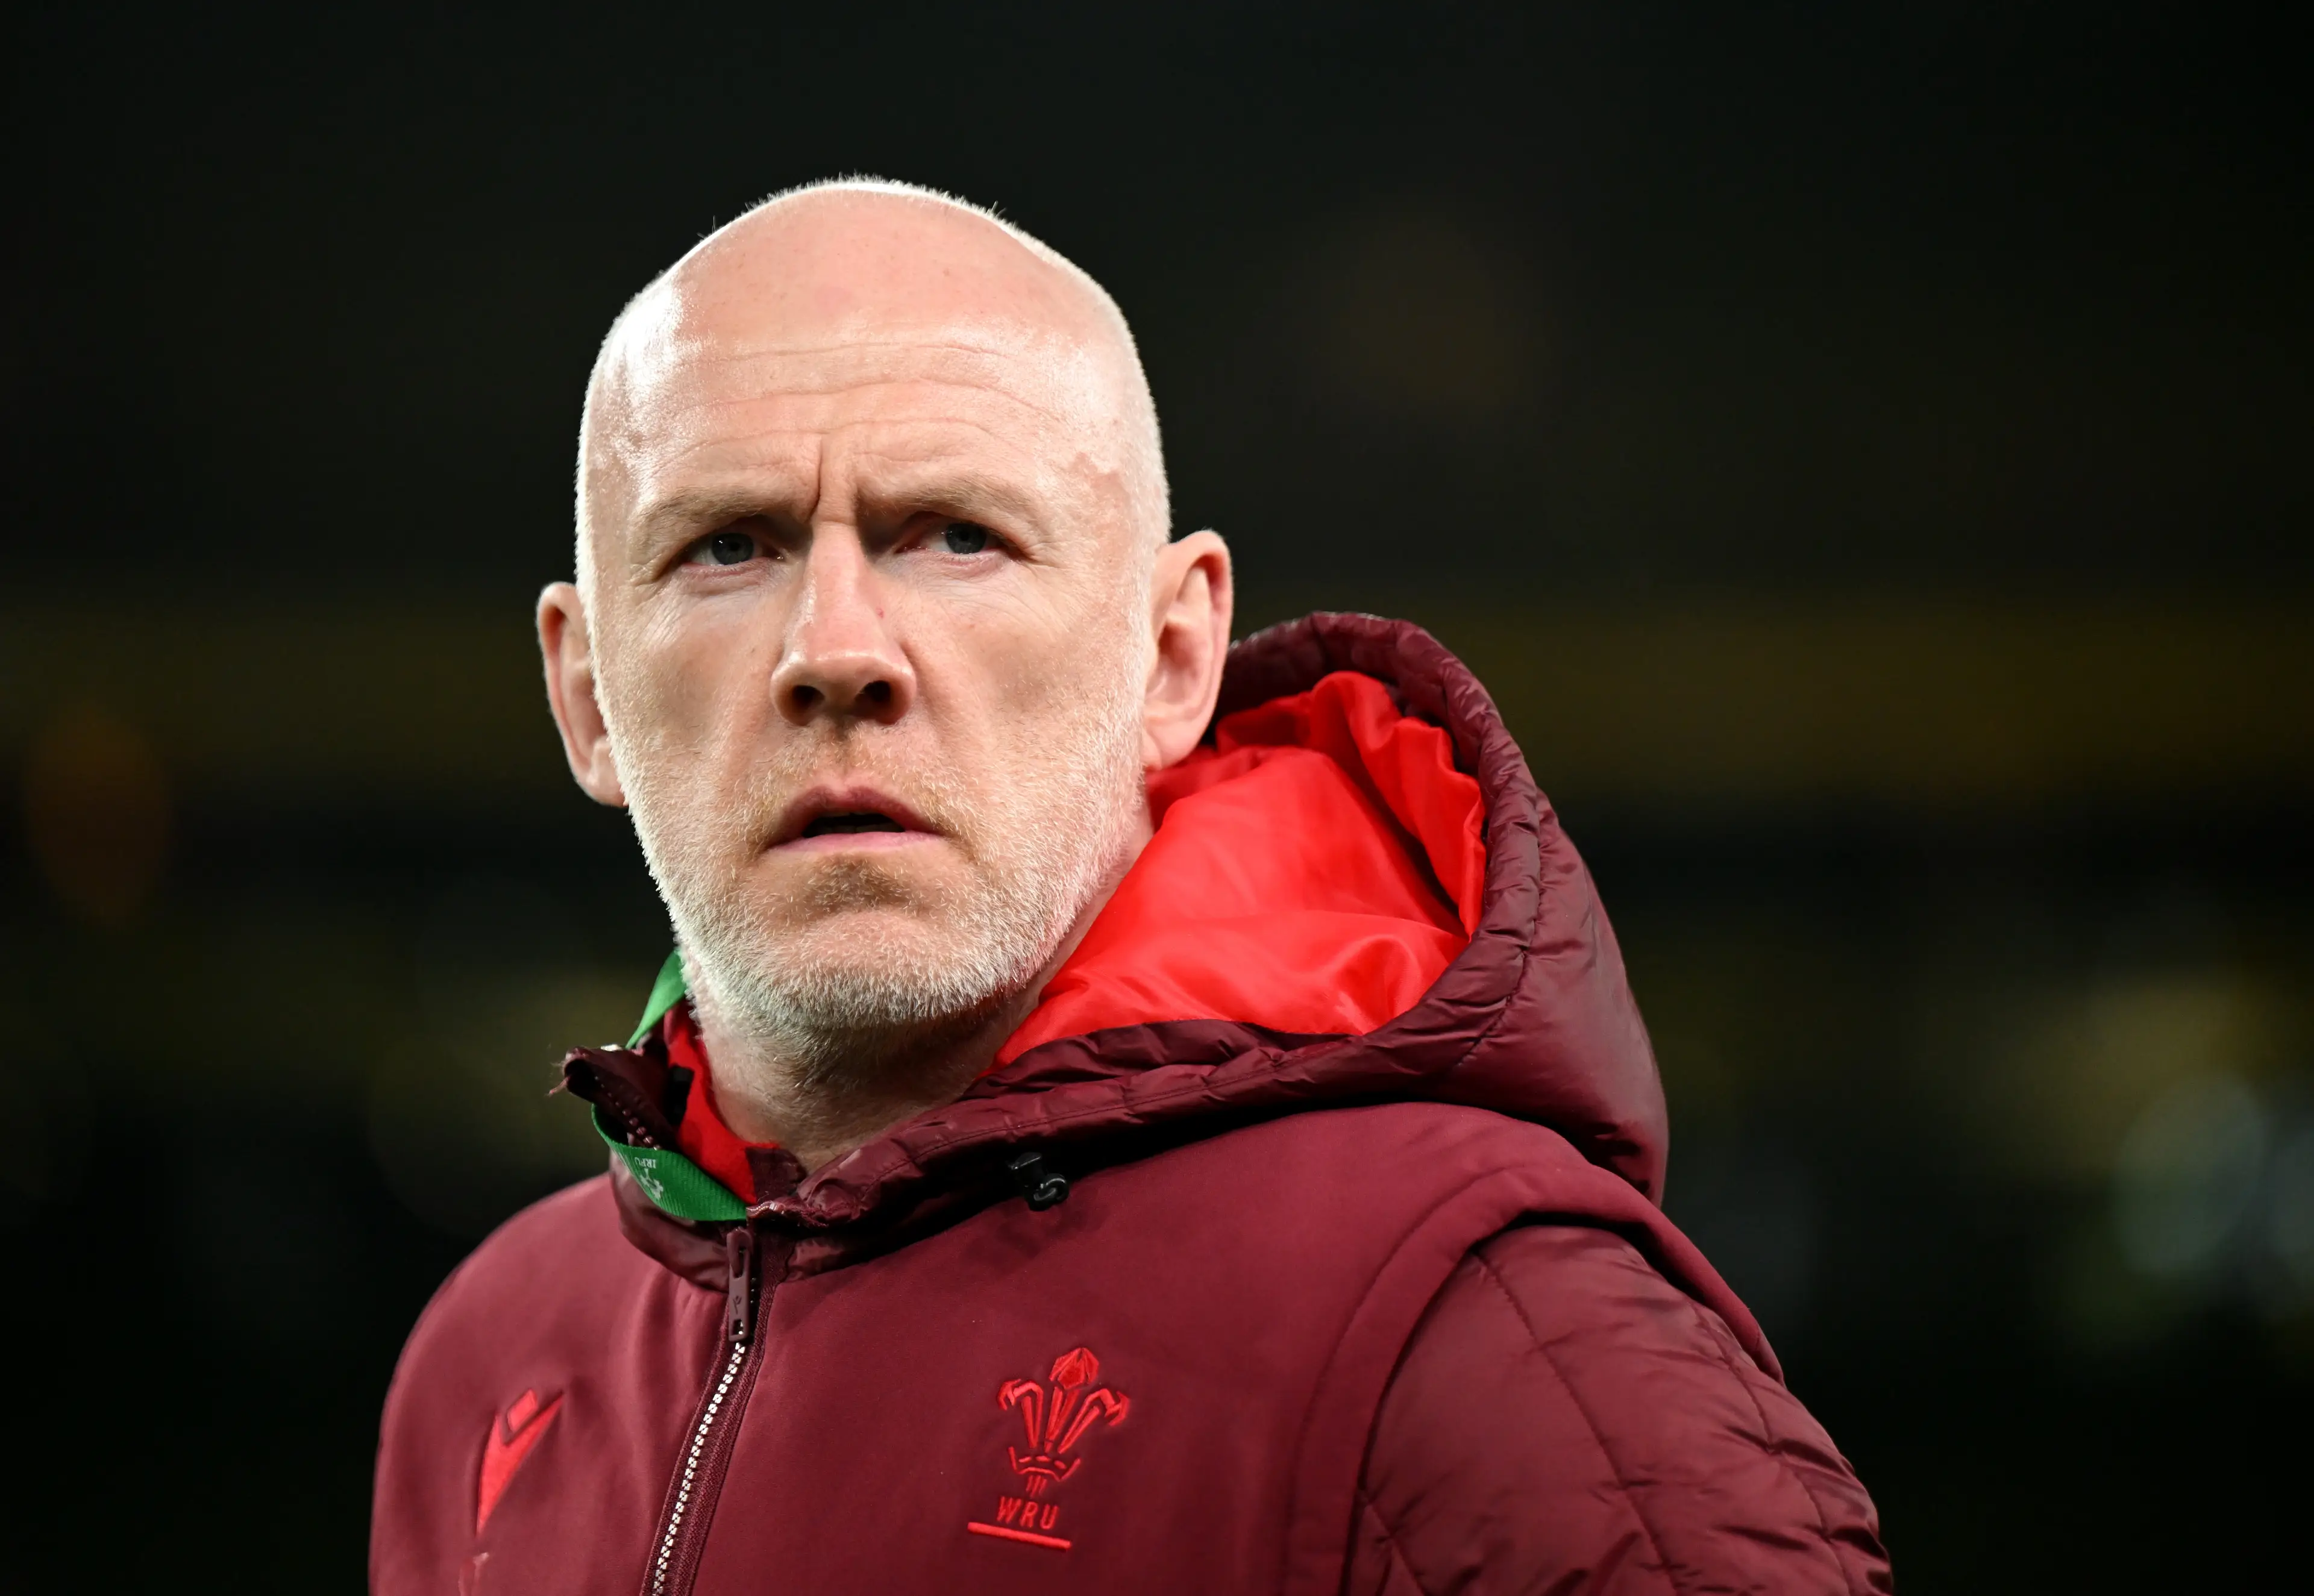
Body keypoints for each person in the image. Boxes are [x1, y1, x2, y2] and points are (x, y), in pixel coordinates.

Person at [371, 178, 1892, 1596]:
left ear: (1173, 657)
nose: (836, 650)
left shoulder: (1483, 1335)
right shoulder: (491, 1354)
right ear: (585, 694)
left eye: (957, 536)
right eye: (726, 546)